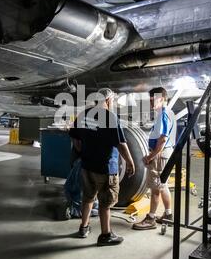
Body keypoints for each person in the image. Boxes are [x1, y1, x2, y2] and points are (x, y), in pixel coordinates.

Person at [69, 88, 135, 246]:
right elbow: (121, 144)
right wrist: (131, 162)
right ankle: (106, 235)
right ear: (109, 100)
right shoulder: (110, 117)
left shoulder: (83, 114)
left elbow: (75, 139)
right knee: (105, 203)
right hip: (105, 168)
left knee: (88, 197)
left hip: (87, 166)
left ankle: (83, 228)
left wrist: (83, 151)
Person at [132, 87, 176, 230]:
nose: (151, 103)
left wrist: (150, 156)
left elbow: (162, 140)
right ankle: (168, 215)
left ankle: (151, 218)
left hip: (160, 155)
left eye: (153, 100)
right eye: (150, 100)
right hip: (165, 153)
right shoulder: (169, 113)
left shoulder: (164, 114)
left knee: (156, 188)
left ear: (162, 98)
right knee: (162, 185)